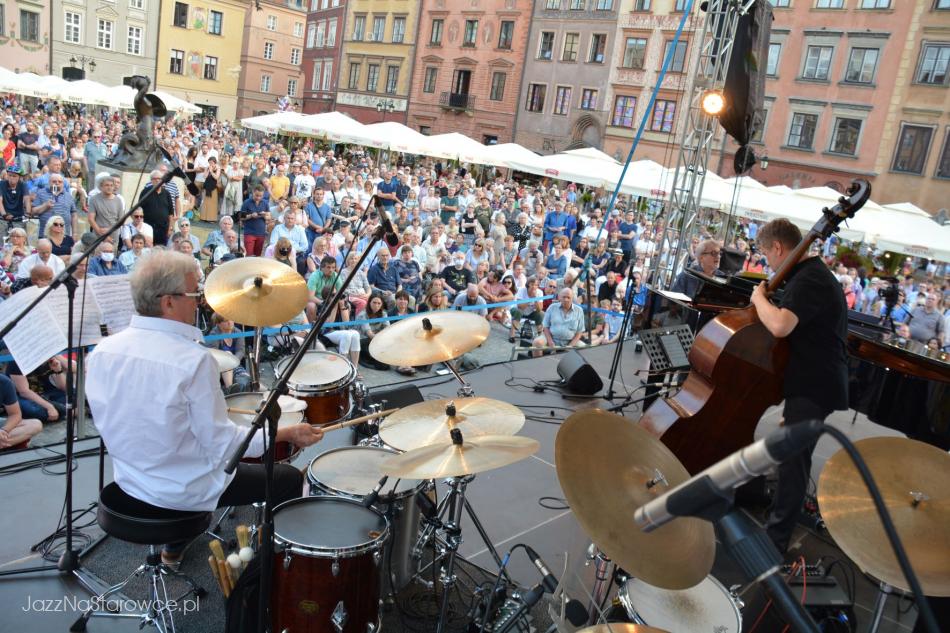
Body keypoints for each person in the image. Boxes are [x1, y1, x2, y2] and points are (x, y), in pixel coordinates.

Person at [85, 250, 323, 566]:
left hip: (131, 481)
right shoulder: (192, 361)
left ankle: (173, 546)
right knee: (288, 478)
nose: (200, 301)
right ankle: (276, 569)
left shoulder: (102, 352)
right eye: (194, 293)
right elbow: (225, 447)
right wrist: (285, 432)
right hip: (182, 491)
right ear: (167, 302)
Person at [749, 218, 848, 555]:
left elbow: (779, 325)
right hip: (809, 383)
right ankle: (775, 530)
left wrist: (759, 297)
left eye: (766, 254)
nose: (767, 262)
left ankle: (773, 546)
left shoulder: (811, 280)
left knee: (793, 465)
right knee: (788, 456)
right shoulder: (808, 276)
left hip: (815, 384)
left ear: (778, 247)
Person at [533, 288, 585, 356]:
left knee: (585, 349)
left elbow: (579, 332)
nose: (566, 299)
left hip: (570, 341)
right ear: (559, 297)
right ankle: (538, 365)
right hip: (551, 338)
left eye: (568, 297)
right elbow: (545, 327)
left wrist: (570, 345)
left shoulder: (579, 310)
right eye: (564, 297)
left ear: (572, 298)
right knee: (537, 343)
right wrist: (551, 342)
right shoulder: (552, 307)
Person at [0, 373, 42, 450]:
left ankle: (2, 441)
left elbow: (15, 414)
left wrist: (4, 430)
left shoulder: (4, 382)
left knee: (35, 424)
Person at [138, 170, 175, 247]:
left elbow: (171, 213)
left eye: (159, 178)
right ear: (151, 180)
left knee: (161, 250)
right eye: (155, 178)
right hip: (148, 228)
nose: (157, 180)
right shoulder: (145, 192)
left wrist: (170, 228)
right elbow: (139, 210)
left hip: (163, 229)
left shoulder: (167, 193)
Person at [238, 185, 269, 256]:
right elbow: (241, 217)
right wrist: (251, 216)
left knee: (257, 256)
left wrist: (265, 215)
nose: (258, 197)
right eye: (256, 195)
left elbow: (269, 217)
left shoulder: (265, 203)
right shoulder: (246, 203)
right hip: (249, 232)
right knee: (249, 255)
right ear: (253, 192)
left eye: (260, 196)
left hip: (261, 233)